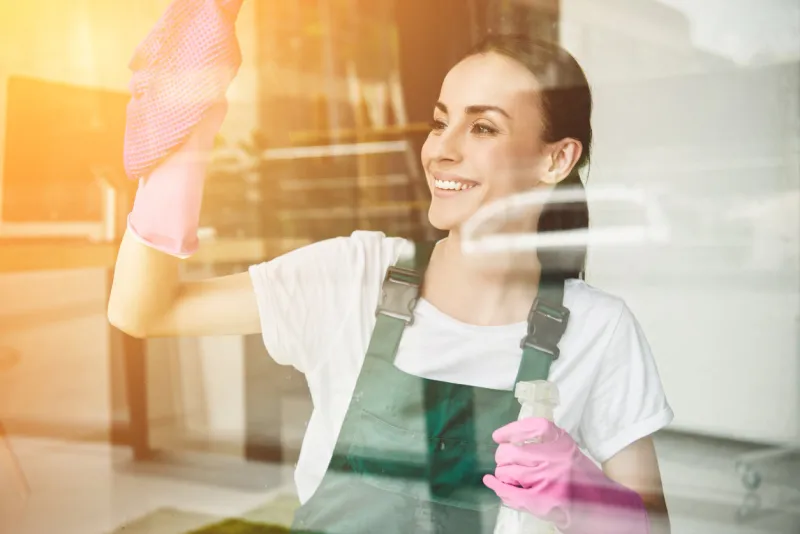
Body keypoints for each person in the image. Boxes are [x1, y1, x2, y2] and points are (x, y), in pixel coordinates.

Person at [109, 32, 673, 534]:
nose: (440, 149)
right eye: (439, 120)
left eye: (481, 127)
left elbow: (654, 527)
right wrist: (188, 144)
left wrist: (586, 496)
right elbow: (145, 312)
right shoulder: (353, 277)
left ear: (556, 161)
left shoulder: (598, 329)